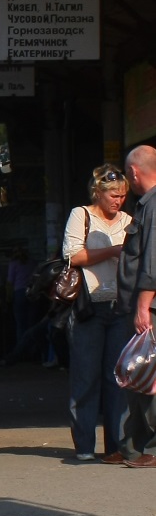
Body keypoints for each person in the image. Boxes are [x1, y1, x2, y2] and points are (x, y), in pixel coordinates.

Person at [65, 165, 133, 462]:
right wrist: (113, 250)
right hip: (89, 306)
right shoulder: (81, 215)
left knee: (117, 378)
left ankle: (116, 447)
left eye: (122, 196)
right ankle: (84, 446)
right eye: (112, 195)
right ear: (98, 192)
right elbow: (73, 255)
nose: (117, 201)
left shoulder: (129, 221)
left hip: (121, 307)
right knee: (86, 377)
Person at [115, 146, 156, 468]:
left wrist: (143, 306)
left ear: (133, 173)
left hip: (150, 308)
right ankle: (133, 446)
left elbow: (152, 262)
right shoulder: (146, 205)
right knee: (139, 377)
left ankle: (148, 448)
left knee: (146, 378)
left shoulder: (154, 206)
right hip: (145, 305)